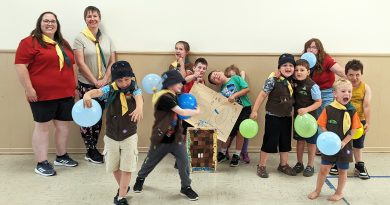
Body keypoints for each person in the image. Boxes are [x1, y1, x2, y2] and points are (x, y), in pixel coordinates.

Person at [15, 11, 78, 176]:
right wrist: (29, 89)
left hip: (66, 93)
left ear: (57, 25)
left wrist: (74, 87)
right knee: (42, 128)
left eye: (53, 21)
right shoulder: (29, 42)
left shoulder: (62, 43)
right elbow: (21, 66)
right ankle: (41, 162)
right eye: (46, 21)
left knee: (63, 127)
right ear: (39, 23)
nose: (50, 24)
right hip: (41, 95)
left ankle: (61, 156)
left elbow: (72, 66)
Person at [133, 70, 201, 201]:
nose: (181, 85)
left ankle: (186, 187)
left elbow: (184, 81)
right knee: (151, 161)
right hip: (161, 138)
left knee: (184, 162)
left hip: (176, 137)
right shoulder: (164, 98)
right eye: (178, 83)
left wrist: (194, 76)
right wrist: (196, 111)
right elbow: (180, 111)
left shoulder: (172, 91)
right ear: (170, 84)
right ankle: (140, 178)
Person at [83, 61, 143, 205]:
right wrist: (87, 95)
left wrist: (139, 108)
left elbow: (139, 99)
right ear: (114, 80)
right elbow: (96, 92)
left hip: (129, 135)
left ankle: (121, 197)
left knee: (127, 167)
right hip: (111, 136)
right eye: (119, 80)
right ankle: (124, 187)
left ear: (131, 78)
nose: (123, 83)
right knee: (114, 166)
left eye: (127, 79)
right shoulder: (109, 89)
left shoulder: (134, 89)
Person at [74, 6, 116, 164]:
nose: (92, 19)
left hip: (104, 84)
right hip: (87, 84)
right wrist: (95, 81)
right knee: (86, 117)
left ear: (100, 18)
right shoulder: (79, 38)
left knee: (98, 117)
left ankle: (94, 148)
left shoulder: (107, 38)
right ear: (85, 19)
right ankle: (90, 150)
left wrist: (105, 78)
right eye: (89, 16)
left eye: (95, 16)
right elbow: (80, 62)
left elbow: (112, 60)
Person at [308, 78, 362, 201]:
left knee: (342, 170)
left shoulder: (352, 111)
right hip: (329, 147)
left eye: (349, 91)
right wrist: (328, 137)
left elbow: (354, 130)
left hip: (345, 146)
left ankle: (339, 192)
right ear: (335, 93)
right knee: (323, 169)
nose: (347, 94)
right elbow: (321, 124)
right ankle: (317, 190)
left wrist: (344, 142)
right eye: (343, 91)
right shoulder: (328, 109)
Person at [250, 53, 296, 178]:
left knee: (285, 142)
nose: (288, 68)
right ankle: (262, 165)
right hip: (273, 116)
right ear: (279, 68)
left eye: (291, 65)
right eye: (284, 65)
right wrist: (255, 110)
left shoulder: (293, 81)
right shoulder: (272, 80)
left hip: (287, 117)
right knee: (269, 141)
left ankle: (283, 164)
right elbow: (262, 95)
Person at [303, 38, 346, 157]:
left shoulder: (326, 59)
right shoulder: (305, 60)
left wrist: (352, 79)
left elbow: (340, 71)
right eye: (309, 47)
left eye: (314, 47)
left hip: (326, 93)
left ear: (319, 49)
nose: (311, 49)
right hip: (311, 94)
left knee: (325, 120)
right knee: (315, 122)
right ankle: (319, 146)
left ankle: (328, 147)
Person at [208, 68, 251, 167]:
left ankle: (237, 155)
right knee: (228, 132)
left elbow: (247, 89)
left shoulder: (236, 78)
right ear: (216, 84)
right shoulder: (222, 89)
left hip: (244, 109)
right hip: (232, 113)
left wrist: (234, 95)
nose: (216, 76)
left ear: (220, 72)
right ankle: (223, 153)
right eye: (214, 79)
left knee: (241, 132)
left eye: (215, 74)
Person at [291, 59, 322, 177]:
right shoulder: (293, 82)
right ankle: (299, 163)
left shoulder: (313, 86)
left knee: (311, 143)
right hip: (298, 120)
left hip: (311, 120)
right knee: (299, 142)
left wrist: (306, 110)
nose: (299, 72)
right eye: (297, 70)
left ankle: (310, 165)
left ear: (308, 72)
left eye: (302, 70)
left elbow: (319, 102)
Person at [345, 59, 372, 179]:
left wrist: (368, 123)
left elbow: (366, 106)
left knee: (358, 145)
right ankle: (339, 163)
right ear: (346, 74)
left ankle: (359, 165)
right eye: (351, 75)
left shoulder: (365, 87)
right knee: (343, 143)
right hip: (344, 120)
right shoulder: (342, 86)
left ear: (361, 74)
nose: (354, 78)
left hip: (359, 121)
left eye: (357, 75)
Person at [223, 65, 250, 163]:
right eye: (229, 76)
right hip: (232, 111)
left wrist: (242, 76)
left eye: (233, 76)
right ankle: (225, 152)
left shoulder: (238, 79)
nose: (232, 78)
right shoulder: (226, 86)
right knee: (230, 133)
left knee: (242, 133)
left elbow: (243, 88)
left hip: (243, 109)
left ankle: (243, 152)